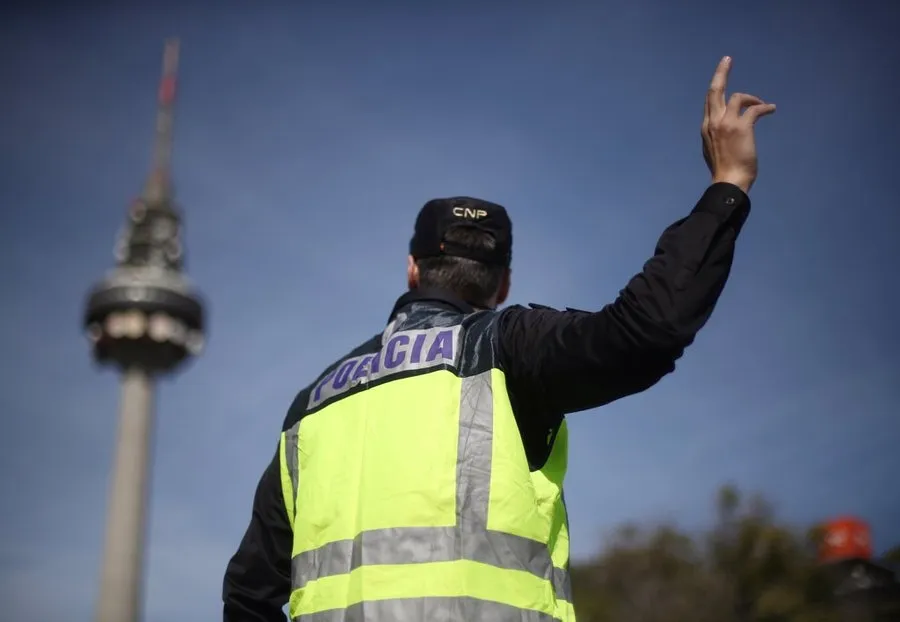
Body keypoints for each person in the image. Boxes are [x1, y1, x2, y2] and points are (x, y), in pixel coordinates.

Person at [223, 56, 775, 622]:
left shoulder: (311, 407)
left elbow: (250, 593)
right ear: (503, 283)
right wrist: (728, 185)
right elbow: (646, 330)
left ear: (413, 269)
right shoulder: (506, 347)